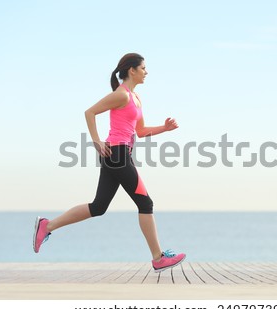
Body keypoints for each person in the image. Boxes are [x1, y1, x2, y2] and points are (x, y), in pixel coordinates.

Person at [33, 53, 186, 272]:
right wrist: (96, 141)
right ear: (132, 70)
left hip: (118, 154)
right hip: (117, 154)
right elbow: (90, 112)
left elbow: (140, 132)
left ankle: (47, 226)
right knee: (145, 203)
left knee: (98, 207)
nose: (146, 72)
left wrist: (164, 128)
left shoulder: (136, 98)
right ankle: (158, 257)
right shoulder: (121, 95)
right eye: (143, 68)